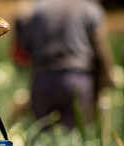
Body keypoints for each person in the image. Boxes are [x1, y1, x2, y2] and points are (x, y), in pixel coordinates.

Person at [13, 0, 113, 129]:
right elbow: (99, 50)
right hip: (77, 79)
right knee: (76, 138)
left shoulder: (38, 8)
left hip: (42, 80)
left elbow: (25, 47)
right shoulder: (89, 8)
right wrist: (105, 82)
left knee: (39, 137)